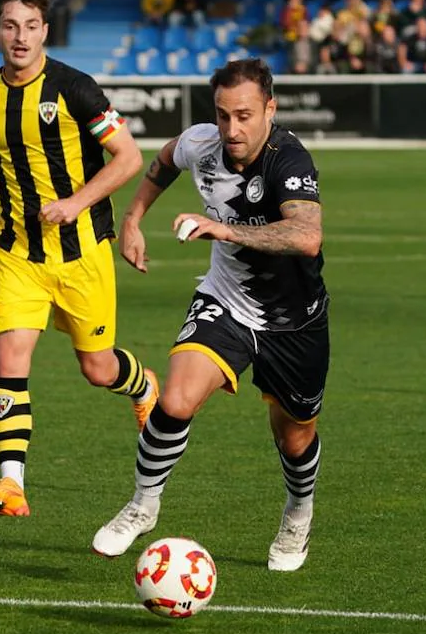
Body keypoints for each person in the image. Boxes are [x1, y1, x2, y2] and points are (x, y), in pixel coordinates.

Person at [91, 57, 328, 572]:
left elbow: (306, 237)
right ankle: (143, 505)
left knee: (294, 435)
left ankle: (297, 514)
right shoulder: (203, 142)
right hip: (226, 300)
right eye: (223, 115)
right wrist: (132, 219)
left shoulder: (289, 161)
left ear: (270, 107)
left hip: (295, 321)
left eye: (244, 115)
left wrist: (225, 230)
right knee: (174, 400)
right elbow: (165, 160)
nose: (232, 128)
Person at [0, 0, 158, 518]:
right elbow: (3, 153)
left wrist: (75, 202)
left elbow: (128, 158)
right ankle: (11, 482)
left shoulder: (76, 88)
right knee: (9, 356)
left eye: (31, 26)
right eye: (10, 26)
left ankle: (142, 384)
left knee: (96, 368)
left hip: (81, 250)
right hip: (17, 251)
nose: (20, 37)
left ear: (46, 30)